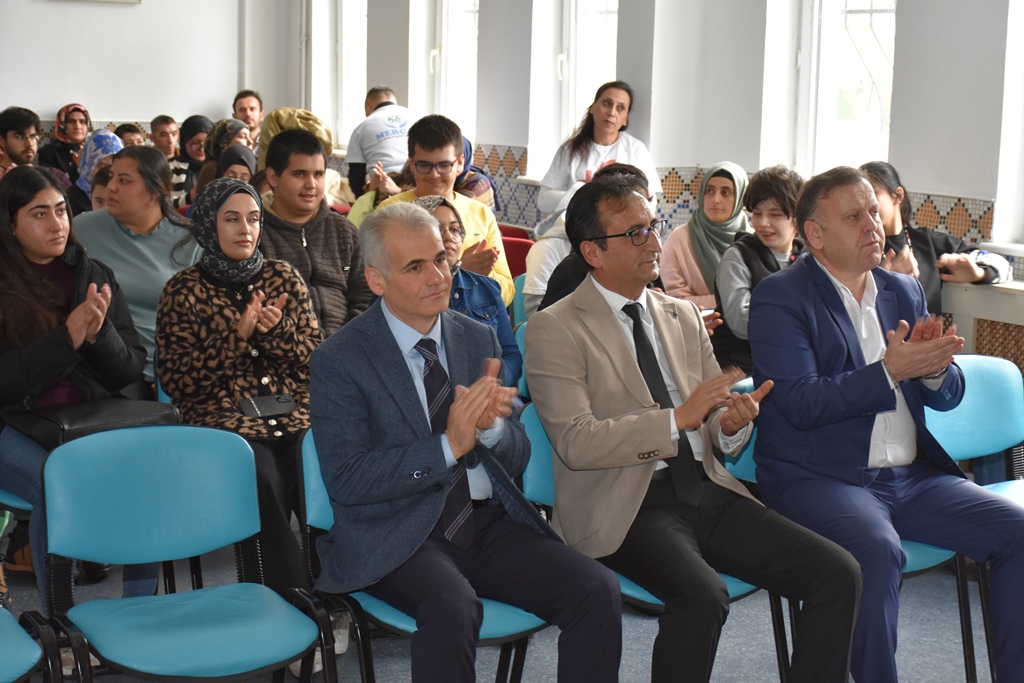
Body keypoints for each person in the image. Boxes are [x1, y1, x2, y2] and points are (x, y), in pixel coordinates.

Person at [526, 175, 861, 683]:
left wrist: (730, 424)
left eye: (654, 226)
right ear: (592, 251)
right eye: (635, 234)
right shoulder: (556, 327)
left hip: (704, 489)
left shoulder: (680, 314)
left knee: (838, 573)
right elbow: (576, 441)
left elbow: (712, 426)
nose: (654, 243)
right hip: (627, 505)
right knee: (703, 597)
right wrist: (675, 420)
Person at [310, 202, 622, 683]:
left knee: (597, 588)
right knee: (453, 607)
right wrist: (448, 446)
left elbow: (518, 455)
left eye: (440, 258)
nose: (438, 276)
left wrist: (493, 431)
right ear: (376, 280)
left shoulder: (477, 338)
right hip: (397, 530)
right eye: (415, 267)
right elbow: (347, 480)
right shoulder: (340, 359)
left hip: (485, 523)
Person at [748, 166, 1024, 683]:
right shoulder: (780, 297)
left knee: (1018, 531)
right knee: (877, 551)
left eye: (874, 212)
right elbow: (802, 403)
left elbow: (947, 393)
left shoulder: (903, 290)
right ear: (815, 235)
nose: (873, 225)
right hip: (822, 478)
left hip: (911, 477)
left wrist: (935, 369)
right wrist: (890, 371)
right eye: (854, 217)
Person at [157, 177, 319, 596]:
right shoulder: (182, 291)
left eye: (253, 219)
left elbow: (317, 361)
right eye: (231, 219)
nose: (245, 229)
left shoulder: (284, 276)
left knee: (317, 464)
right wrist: (235, 338)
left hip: (294, 412)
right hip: (224, 419)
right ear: (208, 225)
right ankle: (290, 599)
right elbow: (176, 380)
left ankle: (336, 590)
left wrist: (279, 331)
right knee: (261, 475)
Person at [0, 166, 150, 611]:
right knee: (56, 483)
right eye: (39, 214)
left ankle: (140, 609)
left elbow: (129, 370)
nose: (57, 224)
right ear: (11, 224)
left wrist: (99, 336)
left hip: (85, 420)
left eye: (62, 210)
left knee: (149, 469)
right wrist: (66, 340)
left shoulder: (92, 274)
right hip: (13, 423)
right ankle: (61, 623)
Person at [74, 146, 201, 382]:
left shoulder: (192, 241)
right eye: (111, 177)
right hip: (99, 368)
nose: (111, 187)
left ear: (155, 191)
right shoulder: (82, 229)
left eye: (124, 180)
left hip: (170, 372)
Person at [378, 115, 515, 306]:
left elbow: (506, 294)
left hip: (476, 317)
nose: (434, 175)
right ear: (411, 163)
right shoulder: (389, 213)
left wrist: (481, 273)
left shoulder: (482, 214)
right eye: (424, 165)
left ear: (460, 163)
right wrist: (461, 271)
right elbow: (380, 285)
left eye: (444, 165)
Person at [860, 161, 1011, 314]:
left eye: (873, 194)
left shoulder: (929, 243)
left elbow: (1003, 266)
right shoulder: (859, 247)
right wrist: (887, 280)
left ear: (898, 195)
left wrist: (979, 273)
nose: (866, 205)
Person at [260, 129, 370, 336]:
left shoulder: (344, 231)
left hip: (347, 342)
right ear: (273, 177)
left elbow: (365, 296)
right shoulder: (254, 233)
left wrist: (349, 341)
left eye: (318, 175)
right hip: (285, 345)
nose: (311, 185)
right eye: (299, 174)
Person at [414, 195, 522, 387]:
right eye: (437, 228)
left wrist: (494, 382)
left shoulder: (486, 288)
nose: (448, 236)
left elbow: (511, 354)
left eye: (455, 229)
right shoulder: (402, 289)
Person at [711, 165, 804, 373]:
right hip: (741, 367)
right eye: (757, 213)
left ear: (797, 218)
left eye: (775, 214)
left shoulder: (807, 256)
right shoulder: (738, 256)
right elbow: (742, 323)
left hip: (790, 361)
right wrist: (801, 321)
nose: (762, 223)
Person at [527, 163, 652, 317]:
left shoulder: (645, 262)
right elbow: (541, 321)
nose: (655, 245)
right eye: (635, 232)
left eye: (649, 201)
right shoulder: (571, 270)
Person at [538, 80, 662, 217]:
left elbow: (651, 201)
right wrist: (581, 194)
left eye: (620, 108)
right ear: (593, 108)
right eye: (607, 103)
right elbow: (543, 201)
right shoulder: (569, 149)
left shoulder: (636, 150)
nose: (612, 112)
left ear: (625, 119)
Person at [660, 161, 750, 308]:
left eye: (726, 192)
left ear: (741, 198)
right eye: (710, 191)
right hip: (692, 321)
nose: (716, 200)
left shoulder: (751, 240)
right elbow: (674, 300)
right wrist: (731, 302)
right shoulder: (680, 240)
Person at [346, 85, 414, 196]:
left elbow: (356, 178)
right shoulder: (414, 116)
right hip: (416, 185)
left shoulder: (361, 128)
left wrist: (365, 199)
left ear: (369, 104)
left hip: (384, 188)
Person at [67, 128, 123, 216]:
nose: (109, 173)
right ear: (89, 164)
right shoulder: (70, 199)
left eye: (114, 166)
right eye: (103, 166)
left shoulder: (126, 192)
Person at [37, 104, 91, 185]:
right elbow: (49, 183)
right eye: (71, 122)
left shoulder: (93, 148)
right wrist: (75, 167)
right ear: (62, 125)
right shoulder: (49, 152)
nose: (77, 126)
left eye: (82, 122)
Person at [195, 118, 253, 194]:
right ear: (224, 143)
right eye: (243, 136)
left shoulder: (249, 164)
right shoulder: (212, 169)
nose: (250, 142)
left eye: (250, 136)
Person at [169, 114, 213, 207]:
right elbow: (160, 205)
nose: (201, 148)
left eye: (206, 143)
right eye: (195, 143)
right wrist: (188, 198)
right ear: (184, 142)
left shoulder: (217, 167)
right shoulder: (171, 167)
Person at [0, 107, 41, 176]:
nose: (29, 144)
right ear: (1, 141)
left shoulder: (53, 175)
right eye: (20, 137)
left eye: (33, 136)